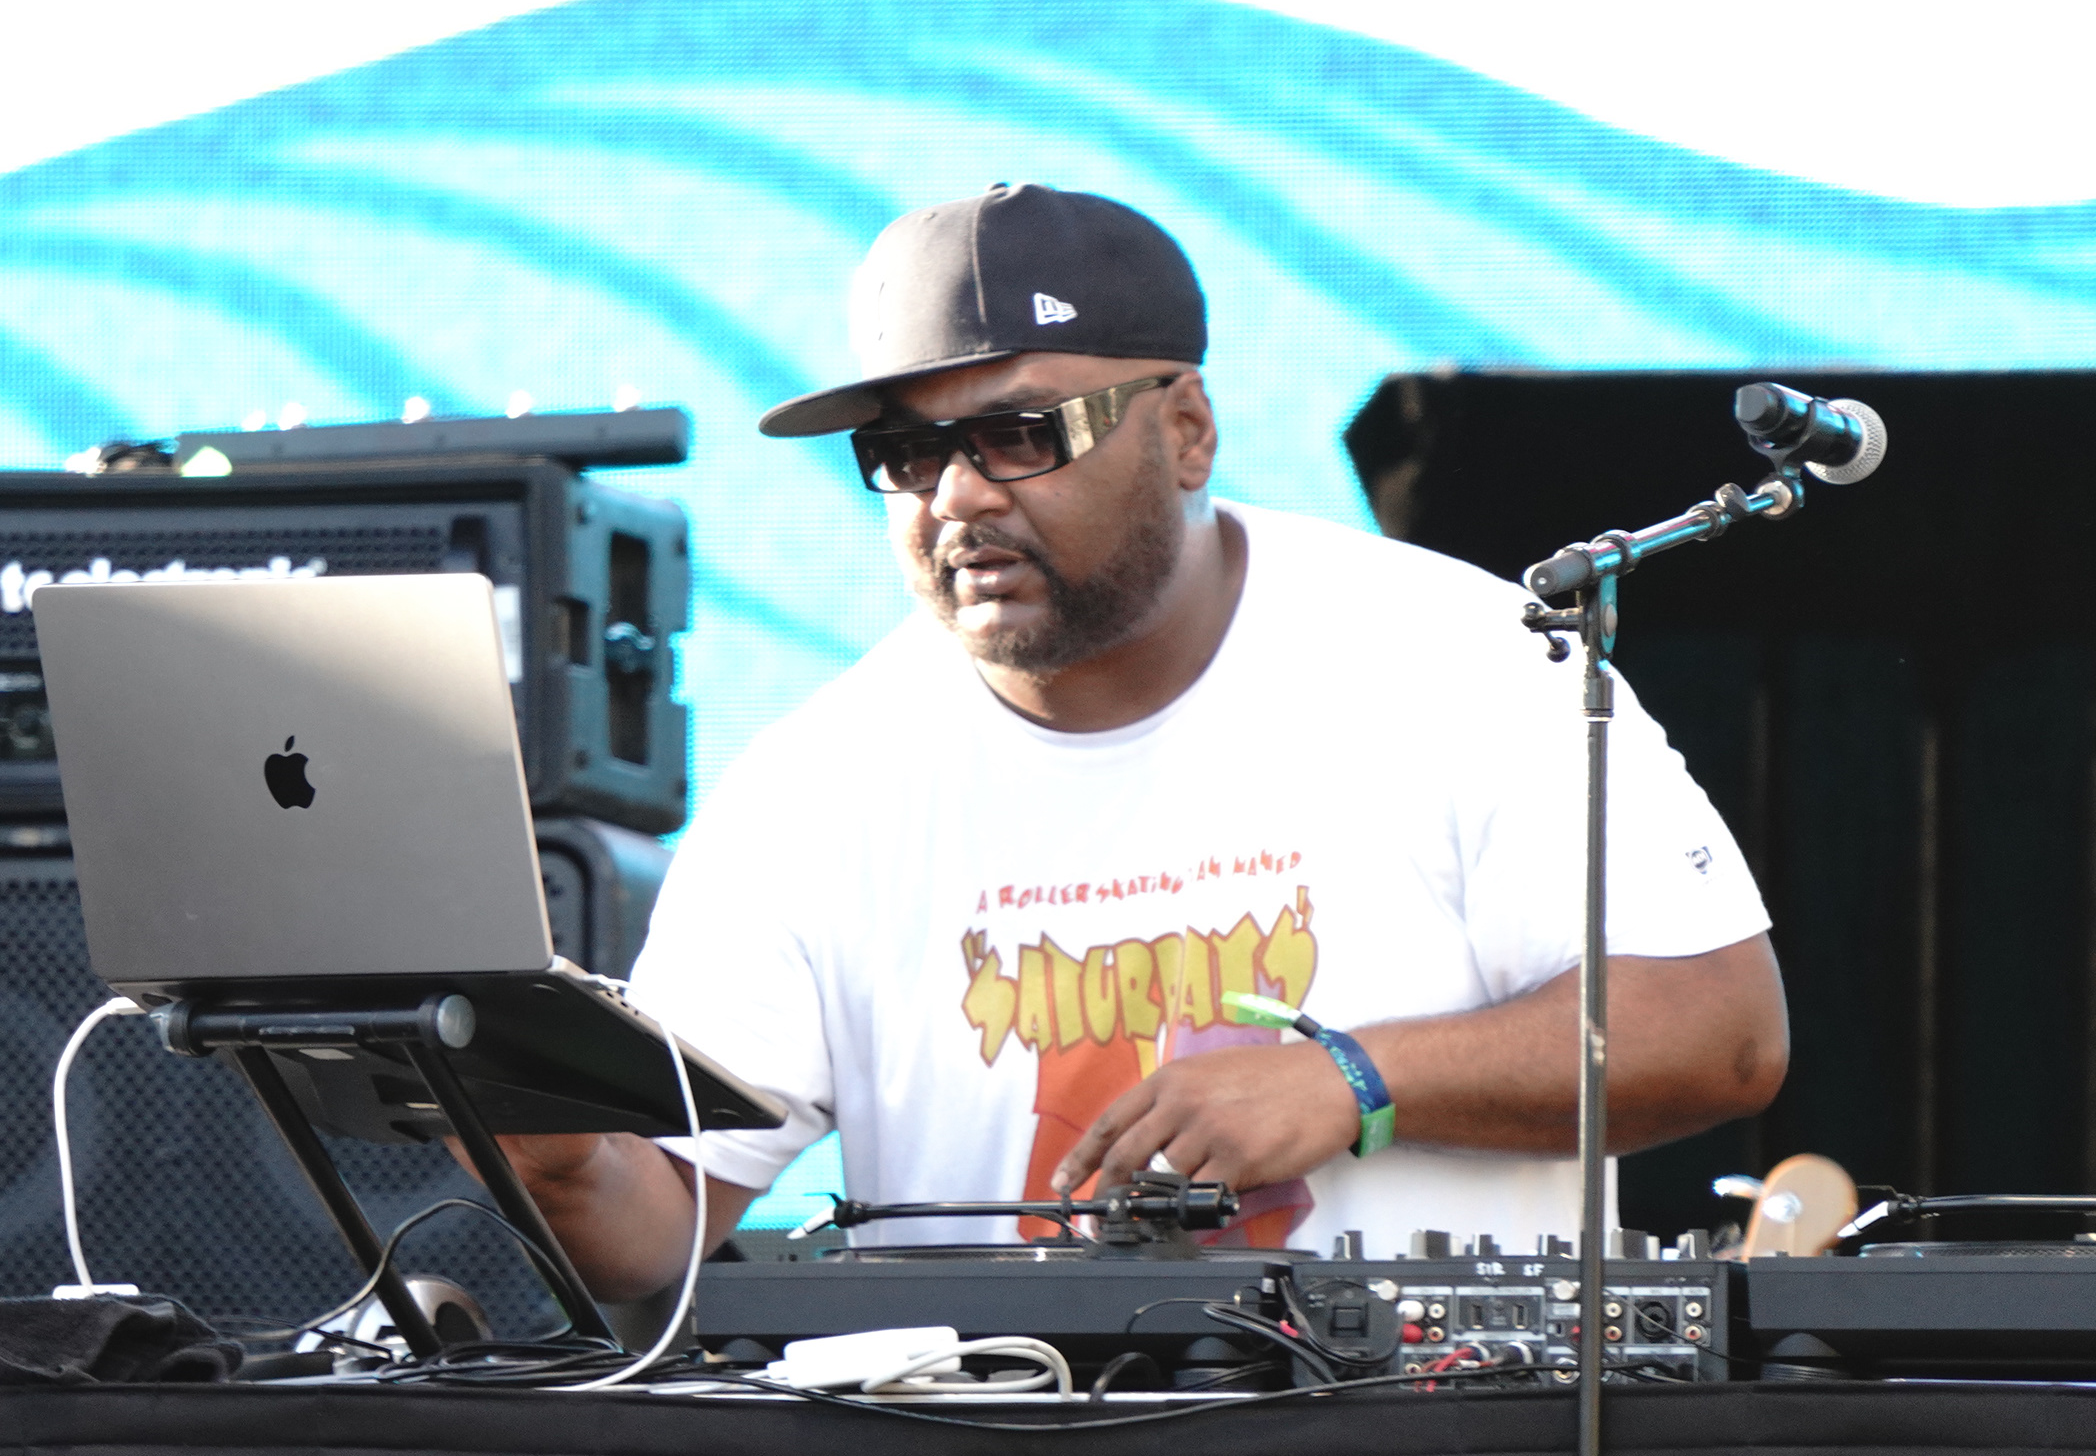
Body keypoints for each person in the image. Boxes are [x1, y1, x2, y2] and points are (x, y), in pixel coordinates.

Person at [502, 183, 1789, 1291]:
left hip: (1423, 1455)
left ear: (1186, 432)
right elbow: (653, 1222)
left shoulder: (1458, 655)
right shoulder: (815, 785)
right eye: (908, 452)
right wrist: (552, 1159)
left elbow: (1719, 1032)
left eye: (1019, 434)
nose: (959, 495)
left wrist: (1348, 1082)